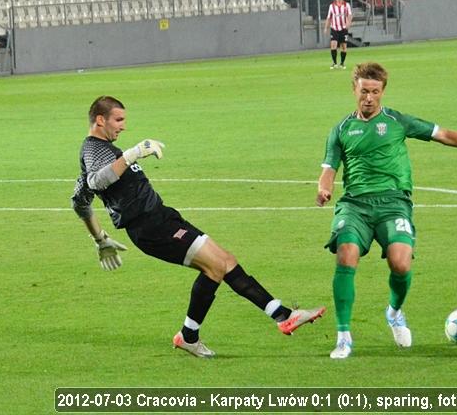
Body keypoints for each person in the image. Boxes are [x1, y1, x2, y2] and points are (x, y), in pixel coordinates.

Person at [71, 96, 325, 358]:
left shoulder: (99, 153)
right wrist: (133, 153)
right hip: (150, 228)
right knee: (215, 266)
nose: (123, 126)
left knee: (225, 261)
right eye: (118, 120)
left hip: (162, 218)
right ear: (100, 120)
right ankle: (194, 335)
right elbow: (97, 182)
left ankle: (281, 316)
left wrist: (100, 239)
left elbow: (80, 200)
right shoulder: (93, 148)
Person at [315, 62, 457, 359]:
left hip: (394, 203)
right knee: (346, 252)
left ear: (383, 92)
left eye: (375, 92)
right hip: (355, 205)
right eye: (364, 91)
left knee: (401, 263)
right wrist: (324, 189)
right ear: (354, 89)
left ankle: (394, 312)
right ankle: (343, 337)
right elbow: (329, 168)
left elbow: (442, 134)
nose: (369, 97)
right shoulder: (341, 129)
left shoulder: (397, 121)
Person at [323, 0, 353, 70]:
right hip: (334, 28)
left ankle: (342, 63)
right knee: (333, 45)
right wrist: (326, 27)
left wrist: (348, 23)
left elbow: (350, 15)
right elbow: (329, 17)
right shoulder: (331, 6)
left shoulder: (347, 5)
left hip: (343, 29)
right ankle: (334, 63)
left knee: (343, 46)